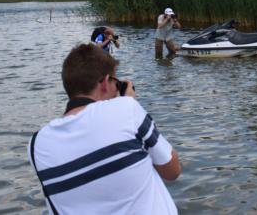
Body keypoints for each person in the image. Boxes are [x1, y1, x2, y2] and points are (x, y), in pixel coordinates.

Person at [28, 44, 181, 214]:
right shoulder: (126, 110)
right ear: (105, 82)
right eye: (116, 83)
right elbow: (172, 171)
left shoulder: (37, 144)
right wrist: (128, 103)